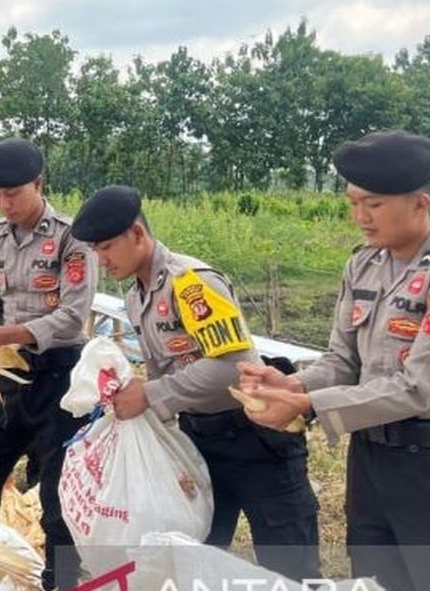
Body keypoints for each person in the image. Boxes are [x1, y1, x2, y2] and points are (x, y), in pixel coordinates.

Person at [240, 131, 430, 591]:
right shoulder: (363, 266)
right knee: (376, 582)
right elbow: (343, 361)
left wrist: (309, 407)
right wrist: (289, 384)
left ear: (420, 202)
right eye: (353, 202)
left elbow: (417, 388)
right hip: (370, 459)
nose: (361, 216)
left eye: (375, 204)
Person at [70, 185, 321, 581]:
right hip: (201, 440)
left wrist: (150, 394)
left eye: (105, 248)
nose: (101, 261)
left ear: (137, 234)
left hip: (256, 437)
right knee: (191, 562)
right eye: (95, 251)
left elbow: (232, 364)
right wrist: (172, 453)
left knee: (290, 564)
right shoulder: (138, 298)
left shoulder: (190, 283)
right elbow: (163, 372)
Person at [0, 138, 96, 591]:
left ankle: (62, 582)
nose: (4, 203)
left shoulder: (72, 236)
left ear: (38, 183)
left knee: (58, 499)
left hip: (60, 376)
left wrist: (7, 333)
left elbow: (74, 314)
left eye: (13, 193)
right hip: (7, 376)